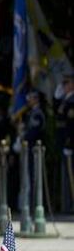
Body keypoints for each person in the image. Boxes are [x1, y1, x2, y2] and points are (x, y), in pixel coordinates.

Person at [57, 73, 74, 213]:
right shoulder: (65, 100)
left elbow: (72, 126)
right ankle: (67, 205)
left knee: (71, 177)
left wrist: (70, 143)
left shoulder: (72, 101)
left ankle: (71, 205)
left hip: (70, 145)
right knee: (67, 178)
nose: (64, 87)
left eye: (66, 84)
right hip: (63, 143)